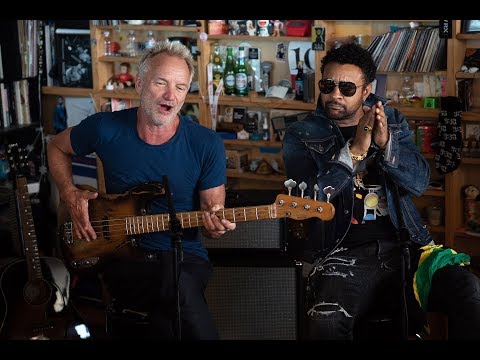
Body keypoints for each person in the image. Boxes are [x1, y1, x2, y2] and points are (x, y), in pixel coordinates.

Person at [282, 42, 480, 340]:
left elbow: (418, 183)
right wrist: (353, 154)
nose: (335, 95)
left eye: (347, 88)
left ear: (366, 90)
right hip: (341, 252)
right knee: (326, 323)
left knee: (469, 290)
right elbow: (306, 200)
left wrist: (387, 145)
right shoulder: (301, 133)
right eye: (328, 85)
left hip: (405, 246)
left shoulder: (392, 119)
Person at [47, 40, 236, 340]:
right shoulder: (105, 128)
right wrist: (70, 194)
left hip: (185, 256)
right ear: (139, 83)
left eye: (180, 87)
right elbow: (56, 146)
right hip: (124, 255)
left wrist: (216, 226)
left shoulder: (206, 143)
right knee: (173, 293)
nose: (170, 96)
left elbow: (213, 214)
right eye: (161, 83)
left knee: (177, 287)